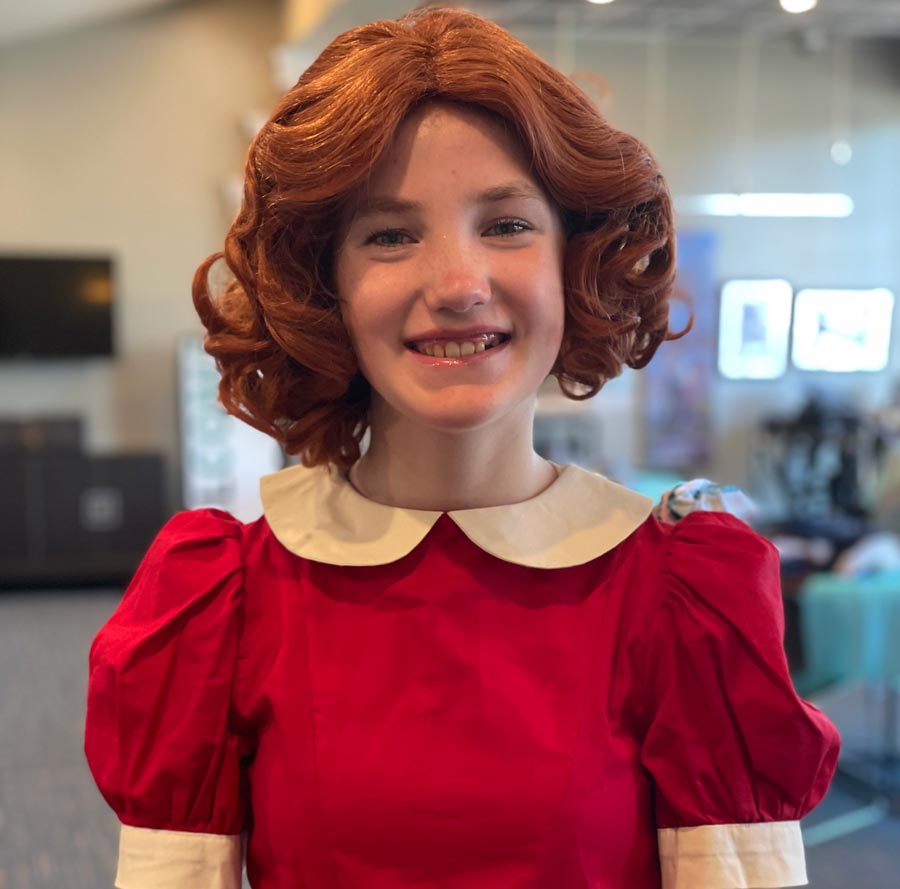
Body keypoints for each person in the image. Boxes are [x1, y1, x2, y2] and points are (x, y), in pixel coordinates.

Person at [84, 7, 840, 888]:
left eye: (508, 224)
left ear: (575, 262)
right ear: (323, 283)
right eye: (390, 235)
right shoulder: (223, 602)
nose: (457, 285)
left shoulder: (682, 603)